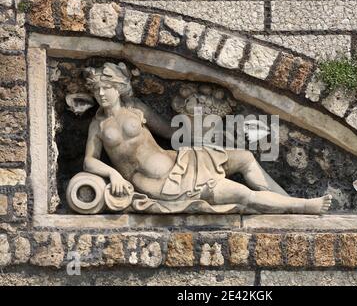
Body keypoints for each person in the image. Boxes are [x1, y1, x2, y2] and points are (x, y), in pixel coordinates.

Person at [82, 62, 332, 214]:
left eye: (108, 87)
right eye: (97, 90)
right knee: (242, 195)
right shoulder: (98, 124)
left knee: (245, 157)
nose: (102, 94)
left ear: (120, 87)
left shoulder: (136, 108)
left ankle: (287, 202)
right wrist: (113, 174)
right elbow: (89, 162)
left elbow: (170, 132)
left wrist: (199, 121)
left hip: (182, 160)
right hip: (162, 184)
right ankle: (302, 207)